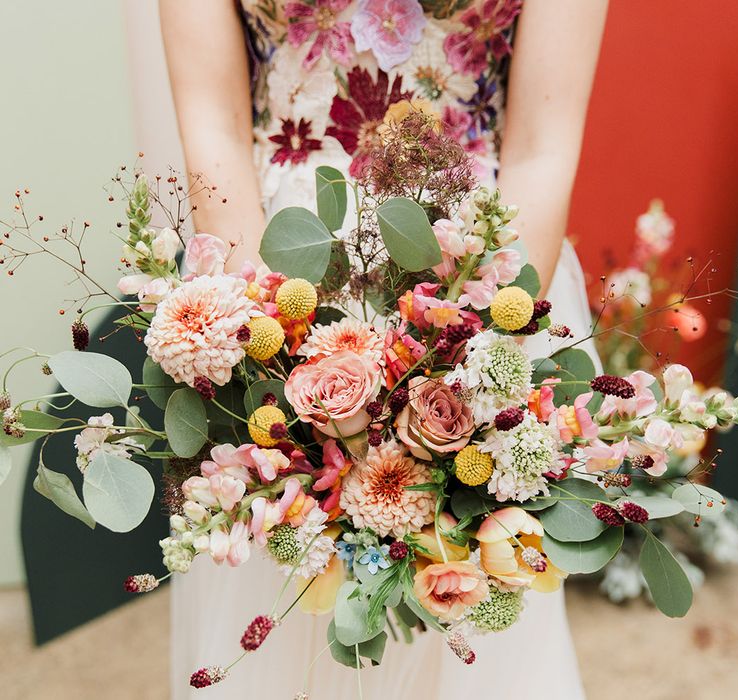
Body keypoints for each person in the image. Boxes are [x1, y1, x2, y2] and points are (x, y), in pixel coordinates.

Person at [159, 1, 608, 697]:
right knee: (285, 568)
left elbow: (542, 146)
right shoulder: (267, 314)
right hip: (274, 259)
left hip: (474, 258)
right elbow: (211, 123)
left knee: (463, 586)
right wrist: (264, 341)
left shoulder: (480, 295)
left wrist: (478, 345)